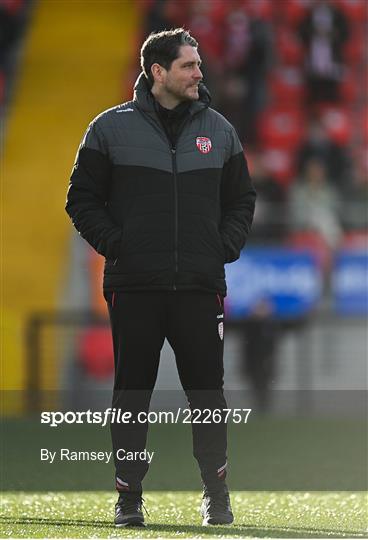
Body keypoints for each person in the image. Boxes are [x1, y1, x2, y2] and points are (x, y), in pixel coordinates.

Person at [66, 28, 256, 528]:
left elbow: (241, 201)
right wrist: (119, 244)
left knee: (207, 395)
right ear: (158, 72)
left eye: (198, 64)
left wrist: (223, 245)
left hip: (198, 285)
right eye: (189, 65)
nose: (199, 73)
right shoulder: (108, 129)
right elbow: (80, 200)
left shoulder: (219, 131)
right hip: (135, 286)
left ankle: (217, 495)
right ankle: (128, 500)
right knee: (132, 394)